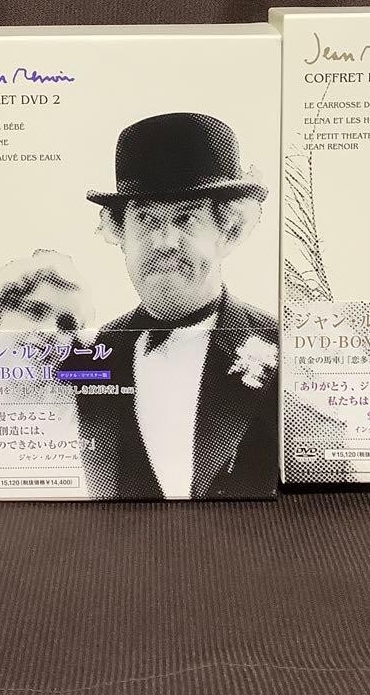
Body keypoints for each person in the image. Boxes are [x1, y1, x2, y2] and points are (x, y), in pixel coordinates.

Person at [77, 112, 279, 499]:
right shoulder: (93, 353)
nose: (165, 241)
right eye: (145, 220)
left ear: (228, 230)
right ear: (119, 232)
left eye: (186, 219)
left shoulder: (282, 347)